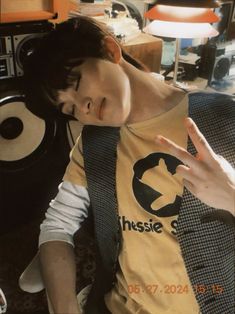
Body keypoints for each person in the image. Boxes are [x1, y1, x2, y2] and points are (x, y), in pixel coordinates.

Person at [19, 16, 235, 314]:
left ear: (110, 50)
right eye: (69, 108)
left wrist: (231, 194)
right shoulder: (94, 144)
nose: (83, 106)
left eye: (78, 83)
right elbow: (57, 226)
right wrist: (66, 306)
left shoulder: (225, 118)